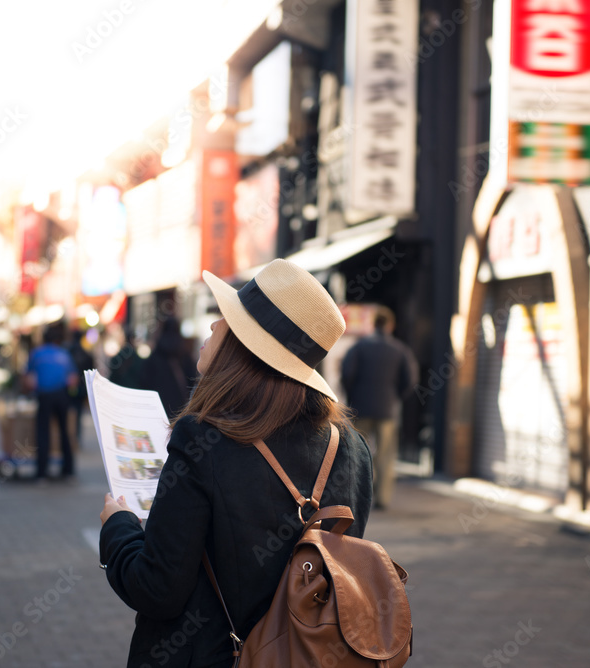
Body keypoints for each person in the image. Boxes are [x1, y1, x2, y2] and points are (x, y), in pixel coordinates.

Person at [99, 259, 374, 667]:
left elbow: (157, 588)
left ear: (246, 346)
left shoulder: (202, 439)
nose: (212, 326)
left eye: (225, 318)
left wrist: (117, 528)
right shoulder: (352, 449)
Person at [341, 305, 420, 510]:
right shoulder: (400, 350)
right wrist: (396, 398)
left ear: (373, 324)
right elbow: (410, 379)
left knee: (359, 453)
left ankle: (358, 494)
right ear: (391, 325)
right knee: (385, 455)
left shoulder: (359, 348)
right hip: (388, 410)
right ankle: (382, 498)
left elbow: (347, 374)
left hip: (360, 408)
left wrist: (352, 397)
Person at [26, 322, 77, 480]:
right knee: (64, 432)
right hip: (61, 395)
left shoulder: (36, 353)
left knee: (43, 433)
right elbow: (73, 379)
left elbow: (29, 379)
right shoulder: (64, 354)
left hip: (44, 395)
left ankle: (41, 472)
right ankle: (68, 471)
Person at [138, 316, 198, 419]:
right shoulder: (184, 353)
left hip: (158, 407)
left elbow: (144, 382)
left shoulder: (155, 355)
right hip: (180, 407)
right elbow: (192, 380)